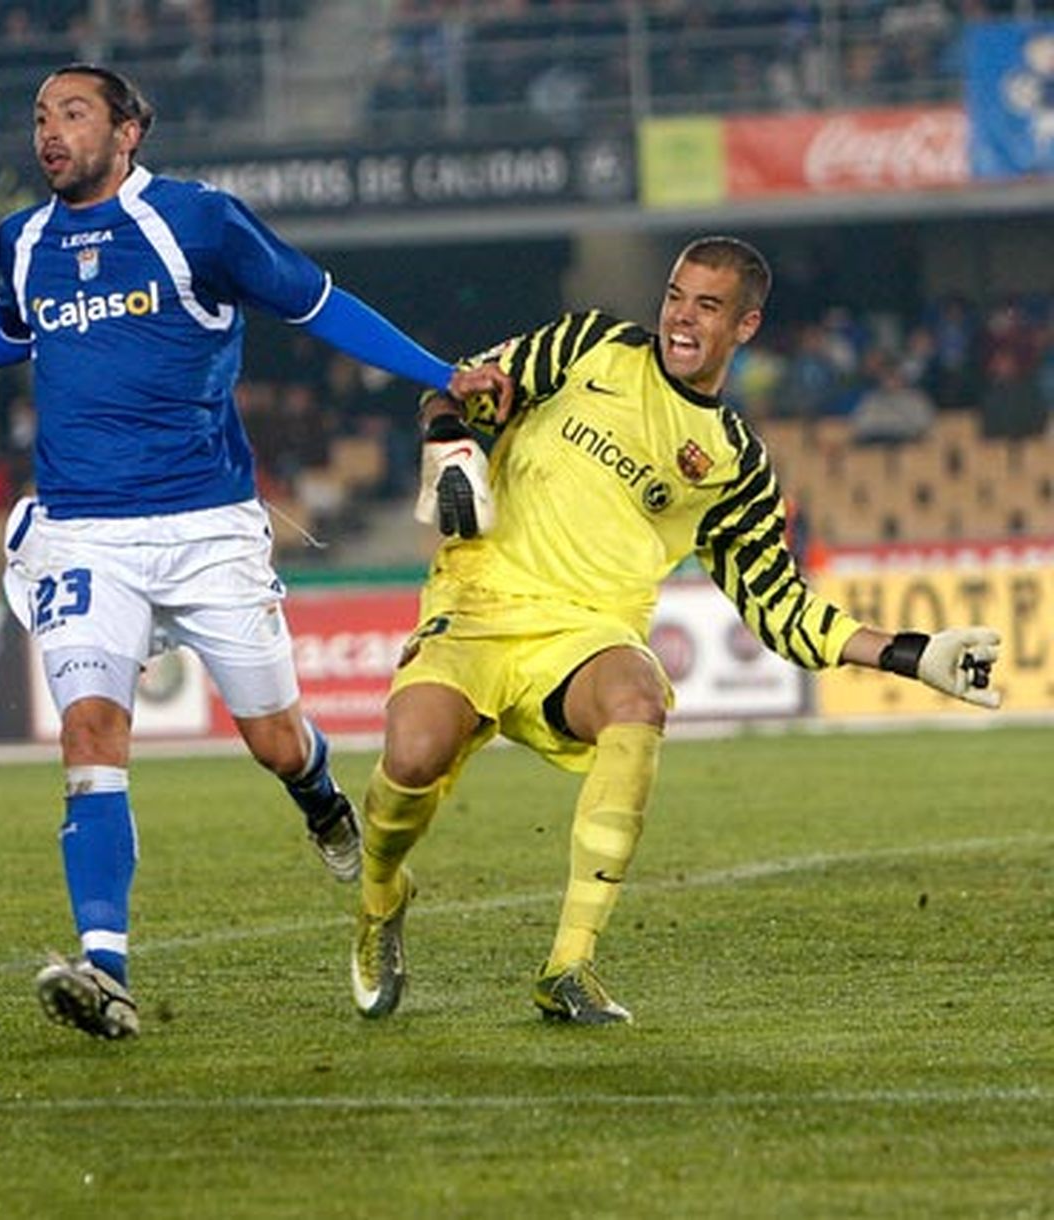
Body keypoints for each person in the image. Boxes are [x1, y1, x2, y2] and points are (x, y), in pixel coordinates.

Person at [0, 63, 503, 1040]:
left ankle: (320, 798)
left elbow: (318, 302)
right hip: (82, 530)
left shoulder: (199, 223)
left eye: (73, 112)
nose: (49, 130)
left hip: (207, 530)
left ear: (129, 131)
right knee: (89, 731)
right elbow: (10, 328)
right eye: (39, 115)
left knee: (274, 737)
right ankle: (106, 967)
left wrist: (440, 372)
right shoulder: (23, 238)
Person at [350, 235, 1002, 1027]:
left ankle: (569, 966)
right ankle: (382, 896)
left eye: (707, 306)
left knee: (637, 699)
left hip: (587, 635)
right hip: (480, 600)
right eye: (675, 296)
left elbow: (781, 606)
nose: (682, 318)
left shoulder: (735, 464)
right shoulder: (585, 344)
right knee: (412, 760)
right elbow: (455, 385)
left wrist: (912, 653)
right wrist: (446, 437)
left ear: (746, 326)